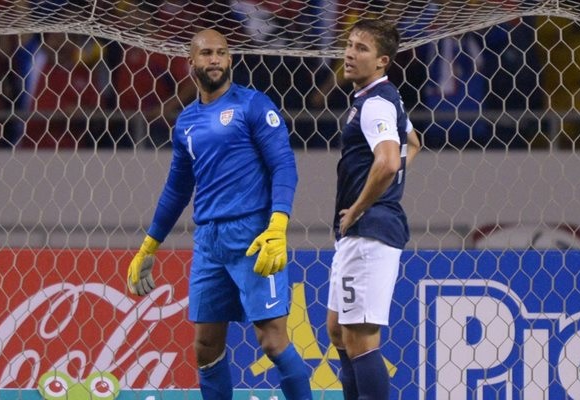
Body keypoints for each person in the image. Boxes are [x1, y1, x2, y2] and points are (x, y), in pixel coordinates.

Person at [125, 29, 313, 399]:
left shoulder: (254, 106)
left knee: (272, 340)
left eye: (222, 53)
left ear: (231, 60)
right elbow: (178, 189)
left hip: (254, 235)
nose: (215, 60)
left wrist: (278, 225)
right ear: (191, 62)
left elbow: (284, 167)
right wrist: (150, 245)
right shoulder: (186, 123)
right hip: (209, 241)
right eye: (207, 53)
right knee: (205, 346)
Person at [326, 20, 420, 399]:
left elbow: (387, 162)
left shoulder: (375, 104)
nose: (350, 53)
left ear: (382, 61)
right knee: (337, 330)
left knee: (360, 338)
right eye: (349, 45)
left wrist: (362, 206)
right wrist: (385, 183)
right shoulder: (380, 99)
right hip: (361, 232)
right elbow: (412, 142)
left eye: (361, 49)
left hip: (368, 230)